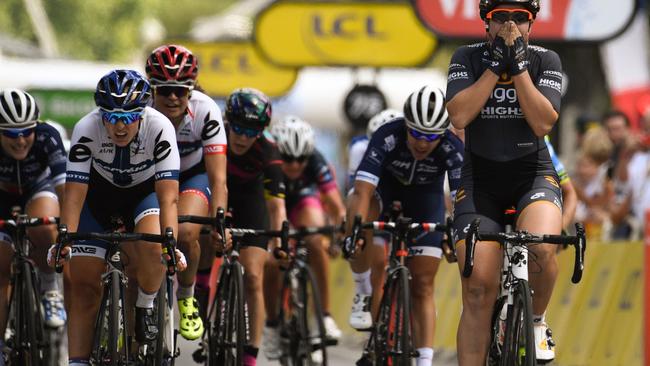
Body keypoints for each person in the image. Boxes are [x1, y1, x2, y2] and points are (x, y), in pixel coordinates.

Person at [445, 0, 564, 363]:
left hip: (532, 174)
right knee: (478, 289)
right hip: (481, 181)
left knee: (543, 248)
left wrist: (520, 68)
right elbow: (461, 116)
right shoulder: (467, 56)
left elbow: (543, 123)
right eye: (500, 17)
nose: (509, 25)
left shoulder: (547, 60)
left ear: (531, 24)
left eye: (519, 18)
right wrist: (495, 69)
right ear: (486, 22)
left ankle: (538, 320)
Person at [54, 70, 181, 366]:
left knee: (152, 247)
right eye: (111, 117)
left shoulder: (160, 127)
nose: (120, 126)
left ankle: (146, 305)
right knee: (84, 287)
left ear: (143, 112)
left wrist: (170, 241)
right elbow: (74, 194)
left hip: (142, 196)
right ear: (101, 114)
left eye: (130, 116)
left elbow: (168, 196)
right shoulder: (87, 127)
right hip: (96, 199)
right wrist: (64, 237)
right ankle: (77, 361)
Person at [344, 85, 464, 366]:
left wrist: (455, 234)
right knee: (359, 213)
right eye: (417, 133)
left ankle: (424, 360)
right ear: (406, 125)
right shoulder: (387, 135)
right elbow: (362, 190)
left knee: (422, 284)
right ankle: (363, 291)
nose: (423, 143)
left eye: (431, 136)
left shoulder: (452, 147)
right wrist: (356, 233)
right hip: (384, 194)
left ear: (442, 134)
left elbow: (462, 201)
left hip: (426, 201)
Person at [146, 44, 228, 340]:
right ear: (152, 88)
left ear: (191, 90)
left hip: (193, 175)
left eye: (180, 91)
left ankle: (187, 295)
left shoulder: (206, 111)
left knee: (187, 231)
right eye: (164, 89)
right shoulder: (140, 111)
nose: (172, 97)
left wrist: (219, 221)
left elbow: (218, 178)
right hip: (149, 175)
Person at [267, 115, 345, 349]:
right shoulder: (267, 159)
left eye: (301, 159)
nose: (294, 165)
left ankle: (325, 315)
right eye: (288, 159)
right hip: (272, 203)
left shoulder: (316, 160)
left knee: (314, 239)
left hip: (302, 200)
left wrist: (337, 236)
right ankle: (272, 323)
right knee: (272, 261)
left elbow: (335, 206)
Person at [223, 88, 287, 366]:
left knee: (252, 276)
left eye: (251, 131)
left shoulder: (269, 151)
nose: (242, 137)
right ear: (228, 122)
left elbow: (276, 206)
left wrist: (281, 243)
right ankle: (200, 291)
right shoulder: (215, 137)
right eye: (237, 128)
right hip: (217, 196)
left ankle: (251, 354)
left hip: (251, 206)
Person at [0, 89, 68, 345]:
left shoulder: (47, 137)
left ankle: (50, 289)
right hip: (3, 195)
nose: (20, 141)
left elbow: (63, 186)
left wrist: (67, 226)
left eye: (26, 132)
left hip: (38, 189)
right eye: (10, 134)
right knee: (1, 266)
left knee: (44, 227)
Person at [345, 108, 403, 330]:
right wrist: (350, 227)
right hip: (375, 198)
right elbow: (356, 193)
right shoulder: (360, 148)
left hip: (400, 198)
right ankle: (376, 327)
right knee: (378, 261)